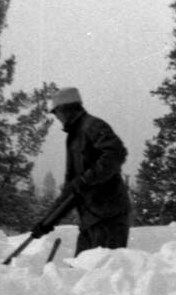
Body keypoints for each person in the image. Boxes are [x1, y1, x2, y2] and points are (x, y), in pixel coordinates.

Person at [32, 87, 132, 255]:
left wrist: (87, 179)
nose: (56, 117)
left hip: (109, 218)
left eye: (56, 112)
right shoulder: (74, 137)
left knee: (99, 274)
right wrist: (47, 223)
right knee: (79, 273)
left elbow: (116, 152)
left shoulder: (92, 126)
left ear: (67, 108)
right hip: (90, 220)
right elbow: (71, 190)